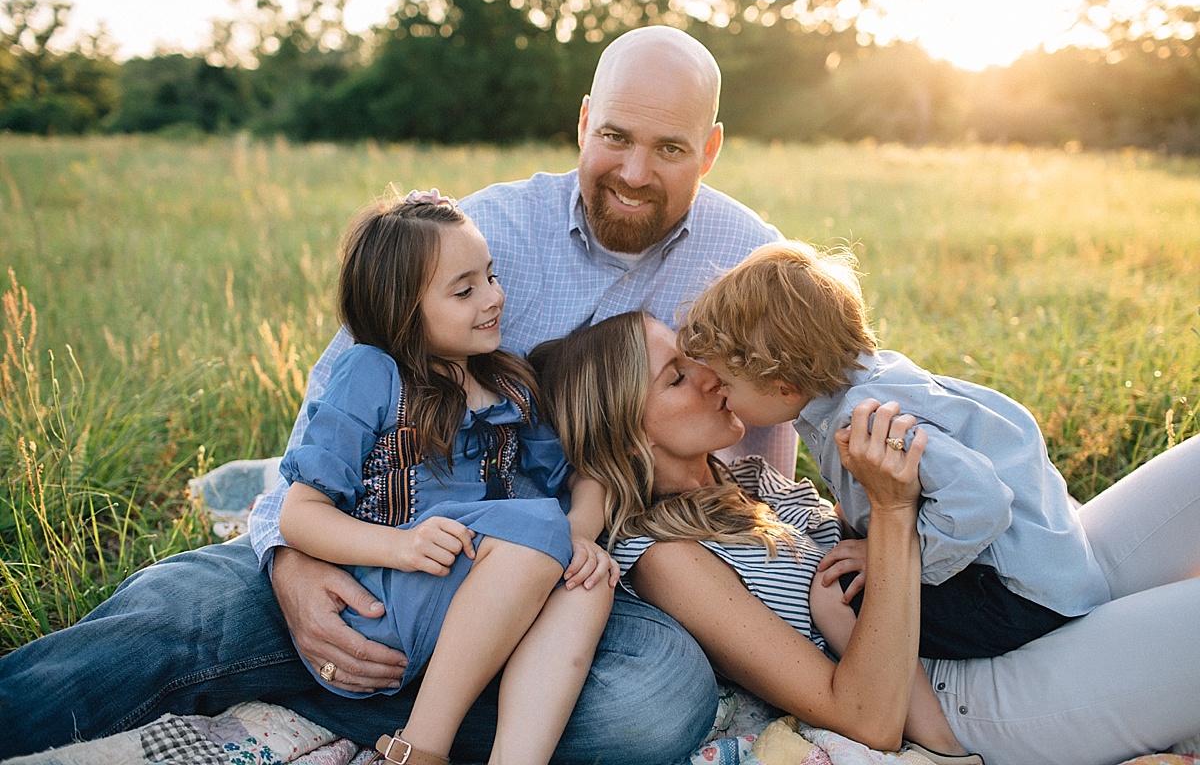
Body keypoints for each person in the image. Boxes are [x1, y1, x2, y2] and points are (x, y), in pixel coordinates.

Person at [0, 26, 791, 763]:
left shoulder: (750, 262)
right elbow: (332, 407)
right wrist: (289, 562)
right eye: (615, 136)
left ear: (712, 149)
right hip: (381, 539)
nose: (633, 172)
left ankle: (358, 698)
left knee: (655, 699)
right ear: (584, 121)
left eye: (671, 147)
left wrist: (873, 519)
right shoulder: (476, 233)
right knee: (179, 617)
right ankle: (342, 680)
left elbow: (818, 404)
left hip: (561, 580)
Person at [532, 309, 1200, 765]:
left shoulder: (751, 482)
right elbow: (865, 717)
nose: (711, 373)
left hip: (995, 601)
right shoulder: (668, 561)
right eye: (677, 375)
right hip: (959, 690)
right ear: (629, 428)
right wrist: (892, 513)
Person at [276, 189, 616, 765]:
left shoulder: (508, 384)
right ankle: (421, 748)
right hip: (384, 601)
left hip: (484, 597)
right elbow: (299, 513)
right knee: (533, 533)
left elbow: (589, 476)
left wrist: (580, 535)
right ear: (400, 308)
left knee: (590, 578)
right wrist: (401, 545)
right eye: (465, 290)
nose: (494, 298)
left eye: (491, 276)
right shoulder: (373, 373)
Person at [678, 240, 1109, 661]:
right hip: (1042, 571)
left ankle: (901, 704)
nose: (719, 392)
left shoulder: (868, 418)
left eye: (727, 383)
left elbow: (982, 500)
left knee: (847, 604)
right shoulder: (866, 379)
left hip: (1016, 595)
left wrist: (887, 559)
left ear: (784, 387)